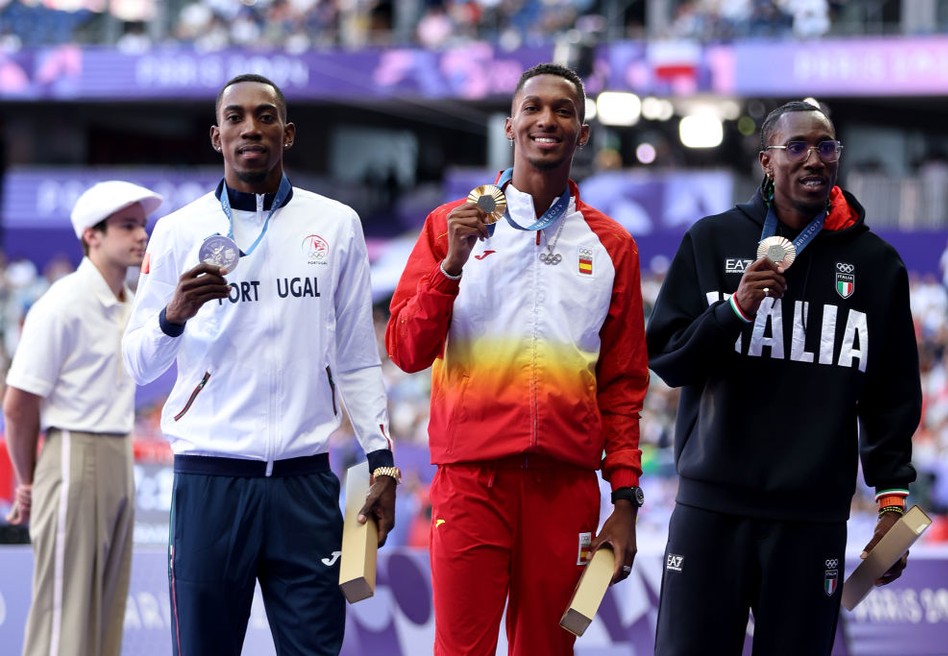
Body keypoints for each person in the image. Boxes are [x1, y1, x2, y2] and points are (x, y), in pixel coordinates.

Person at [121, 73, 398, 656]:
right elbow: (137, 363)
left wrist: (382, 462)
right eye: (237, 118)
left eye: (266, 116)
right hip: (211, 481)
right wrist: (174, 314)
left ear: (288, 133)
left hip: (305, 484)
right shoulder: (177, 232)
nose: (252, 128)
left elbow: (356, 355)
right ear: (216, 137)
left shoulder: (336, 224)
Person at [385, 62, 649, 656]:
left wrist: (626, 497)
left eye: (563, 110)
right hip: (471, 482)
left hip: (567, 490)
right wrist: (451, 266)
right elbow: (405, 350)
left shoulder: (612, 246)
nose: (546, 119)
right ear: (510, 124)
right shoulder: (448, 226)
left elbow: (624, 385)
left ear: (582, 133)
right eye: (532, 107)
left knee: (548, 651)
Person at [646, 100, 922, 655]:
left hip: (810, 518)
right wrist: (735, 311)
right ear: (767, 161)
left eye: (826, 147)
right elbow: (669, 360)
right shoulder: (712, 240)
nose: (814, 158)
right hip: (711, 509)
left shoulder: (876, 266)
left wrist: (894, 503)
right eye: (796, 146)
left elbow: (892, 396)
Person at [4, 180, 161, 656]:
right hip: (71, 451)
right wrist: (27, 482)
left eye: (142, 225)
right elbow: (17, 404)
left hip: (117, 450)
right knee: (62, 615)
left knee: (104, 616)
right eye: (127, 225)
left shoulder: (132, 305)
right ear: (91, 235)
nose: (141, 236)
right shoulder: (61, 302)